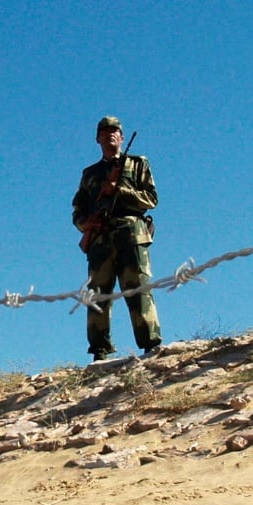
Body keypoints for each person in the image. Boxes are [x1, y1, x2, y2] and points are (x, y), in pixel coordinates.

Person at [71, 116, 162, 362]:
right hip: (100, 239)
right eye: (105, 131)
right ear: (97, 138)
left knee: (138, 288)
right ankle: (100, 351)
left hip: (131, 233)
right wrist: (85, 224)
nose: (110, 135)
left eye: (115, 131)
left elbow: (151, 199)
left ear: (121, 137)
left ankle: (150, 345)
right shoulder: (89, 174)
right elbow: (78, 210)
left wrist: (119, 189)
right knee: (98, 294)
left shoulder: (137, 163)